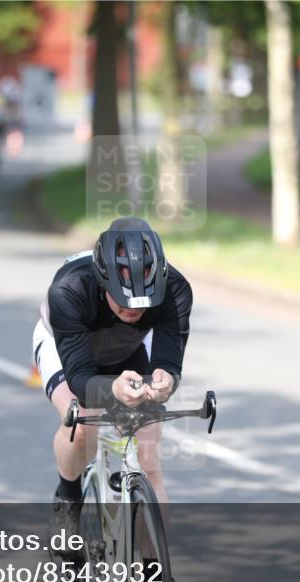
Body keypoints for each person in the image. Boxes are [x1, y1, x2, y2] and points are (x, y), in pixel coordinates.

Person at [31, 217, 193, 552]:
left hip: (129, 349)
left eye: (142, 302)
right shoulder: (68, 292)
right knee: (80, 424)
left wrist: (165, 381)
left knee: (149, 457)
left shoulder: (176, 289)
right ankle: (69, 498)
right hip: (67, 351)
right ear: (104, 284)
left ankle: (152, 570)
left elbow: (168, 360)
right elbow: (80, 379)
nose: (133, 308)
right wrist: (112, 391)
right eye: (123, 300)